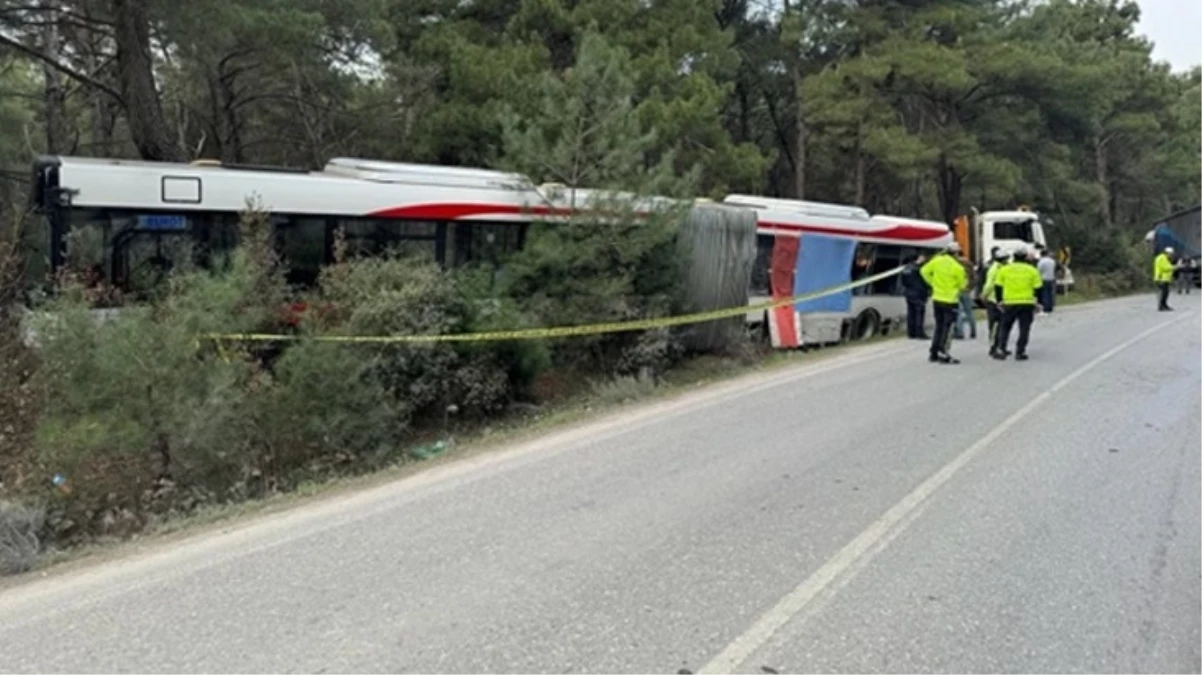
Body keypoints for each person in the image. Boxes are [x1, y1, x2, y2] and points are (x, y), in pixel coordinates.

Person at [920, 243, 968, 364]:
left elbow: (923, 271)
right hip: (950, 301)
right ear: (956, 253)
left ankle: (933, 353)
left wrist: (932, 283)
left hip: (937, 298)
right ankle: (943, 352)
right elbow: (962, 285)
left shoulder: (937, 261)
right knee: (948, 328)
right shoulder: (958, 268)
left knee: (939, 326)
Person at [993, 248, 1042, 361]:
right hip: (1026, 302)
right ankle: (1020, 352)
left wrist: (999, 300)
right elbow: (1038, 288)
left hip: (1009, 302)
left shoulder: (1004, 270)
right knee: (1024, 328)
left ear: (1013, 257)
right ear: (1025, 258)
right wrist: (1038, 302)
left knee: (1005, 327)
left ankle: (1001, 348)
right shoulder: (1032, 270)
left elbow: (998, 286)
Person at [981, 249, 1009, 357]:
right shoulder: (995, 269)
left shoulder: (1000, 268)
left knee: (1001, 324)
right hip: (994, 300)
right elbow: (989, 284)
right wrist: (984, 294)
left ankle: (1000, 346)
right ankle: (994, 348)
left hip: (1000, 300)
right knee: (995, 325)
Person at [900, 253, 929, 339]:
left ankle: (911, 333)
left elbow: (903, 281)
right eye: (923, 258)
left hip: (908, 292)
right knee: (919, 313)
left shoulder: (906, 268)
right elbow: (925, 281)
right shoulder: (920, 268)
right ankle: (920, 333)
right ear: (920, 258)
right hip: (918, 293)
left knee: (911, 313)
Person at [953, 254, 977, 340]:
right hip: (966, 291)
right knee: (969, 312)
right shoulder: (969, 264)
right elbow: (974, 279)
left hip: (957, 290)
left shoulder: (954, 264)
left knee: (958, 312)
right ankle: (973, 332)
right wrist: (969, 288)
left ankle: (960, 333)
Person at [1154, 247, 1175, 311]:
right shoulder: (1162, 258)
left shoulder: (1164, 258)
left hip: (1165, 279)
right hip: (1161, 278)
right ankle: (1161, 306)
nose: (1171, 255)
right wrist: (1175, 267)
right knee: (1163, 293)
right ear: (1167, 253)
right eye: (1171, 254)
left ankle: (1164, 305)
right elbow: (1165, 268)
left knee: (1166, 293)